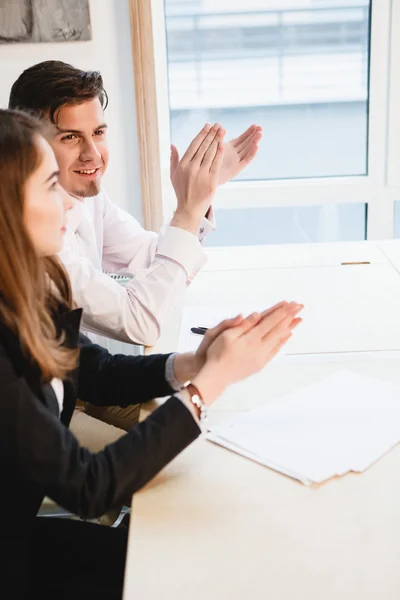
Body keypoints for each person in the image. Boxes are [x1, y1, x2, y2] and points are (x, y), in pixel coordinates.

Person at [0, 109, 302, 599]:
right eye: (50, 186)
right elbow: (87, 487)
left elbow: (91, 368)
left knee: (173, 553)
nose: (68, 205)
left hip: (20, 536)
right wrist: (208, 388)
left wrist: (192, 364)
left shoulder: (27, 282)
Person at [9, 60, 263, 437]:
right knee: (178, 449)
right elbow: (139, 322)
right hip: (55, 406)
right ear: (28, 145)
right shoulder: (36, 237)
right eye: (70, 137)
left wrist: (201, 198)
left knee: (222, 422)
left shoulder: (85, 195)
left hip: (92, 375)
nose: (93, 154)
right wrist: (187, 210)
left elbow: (151, 258)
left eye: (97, 132)